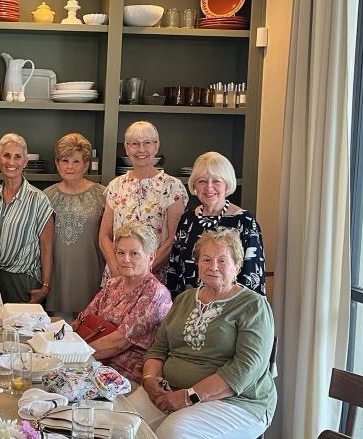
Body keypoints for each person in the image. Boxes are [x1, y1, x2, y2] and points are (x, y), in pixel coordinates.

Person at [128, 228, 276, 439]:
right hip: (170, 390)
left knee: (176, 435)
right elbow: (158, 349)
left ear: (237, 265)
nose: (213, 266)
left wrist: (188, 397)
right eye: (206, 259)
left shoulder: (253, 306)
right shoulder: (185, 298)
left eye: (222, 260)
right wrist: (150, 382)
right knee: (123, 423)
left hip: (239, 403)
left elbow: (244, 371)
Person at [72, 223, 171, 383]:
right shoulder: (113, 284)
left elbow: (118, 343)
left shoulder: (155, 294)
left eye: (134, 253)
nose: (126, 259)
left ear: (151, 257)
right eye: (120, 252)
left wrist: (73, 356)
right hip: (92, 363)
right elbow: (81, 320)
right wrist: (61, 344)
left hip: (124, 375)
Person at [166, 151, 265, 298]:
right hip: (191, 307)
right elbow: (175, 269)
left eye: (216, 181)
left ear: (227, 184)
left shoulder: (245, 221)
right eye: (202, 181)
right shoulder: (187, 219)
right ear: (194, 185)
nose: (209, 187)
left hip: (230, 311)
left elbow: (252, 277)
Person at [99, 121, 187, 283]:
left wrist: (143, 272)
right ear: (126, 148)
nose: (141, 149)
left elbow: (173, 238)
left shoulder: (172, 187)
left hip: (154, 277)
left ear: (157, 146)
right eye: (134, 144)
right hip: (117, 276)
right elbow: (104, 235)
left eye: (147, 143)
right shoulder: (115, 186)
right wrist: (115, 269)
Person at [0, 133, 54, 303]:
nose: (11, 162)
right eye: (6, 155)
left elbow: (46, 246)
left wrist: (45, 285)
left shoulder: (38, 199)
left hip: (22, 281)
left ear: (25, 161)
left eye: (17, 157)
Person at [43, 133, 106, 315]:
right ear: (57, 163)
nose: (70, 166)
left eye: (76, 161)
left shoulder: (102, 196)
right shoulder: (45, 196)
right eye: (64, 160)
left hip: (91, 275)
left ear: (86, 164)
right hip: (58, 278)